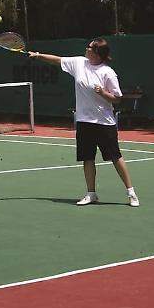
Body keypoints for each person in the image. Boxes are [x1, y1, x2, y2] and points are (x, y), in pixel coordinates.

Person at [28, 38, 139, 207]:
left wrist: (102, 92)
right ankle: (91, 194)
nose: (86, 49)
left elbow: (117, 99)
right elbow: (58, 60)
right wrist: (38, 55)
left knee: (116, 157)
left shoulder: (107, 72)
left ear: (96, 53)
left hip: (104, 123)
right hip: (84, 121)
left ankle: (131, 193)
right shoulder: (79, 63)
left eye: (89, 47)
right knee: (88, 158)